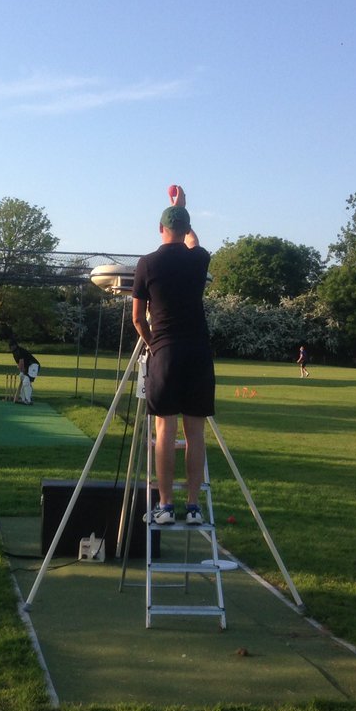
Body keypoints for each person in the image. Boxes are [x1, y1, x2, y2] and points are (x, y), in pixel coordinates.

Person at [132, 190, 215, 526]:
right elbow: (193, 241)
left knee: (164, 429)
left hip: (166, 352)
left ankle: (165, 505)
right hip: (198, 353)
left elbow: (138, 319)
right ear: (186, 227)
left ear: (159, 228)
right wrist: (182, 208)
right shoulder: (200, 259)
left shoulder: (146, 263)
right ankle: (193, 506)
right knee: (195, 432)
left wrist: (154, 345)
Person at [8, 337, 40, 405]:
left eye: (12, 346)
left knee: (26, 381)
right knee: (26, 382)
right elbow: (20, 364)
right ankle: (24, 399)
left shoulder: (19, 351)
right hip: (28, 367)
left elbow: (21, 362)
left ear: (15, 345)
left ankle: (28, 400)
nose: (11, 348)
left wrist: (22, 372)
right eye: (10, 346)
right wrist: (22, 371)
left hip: (33, 365)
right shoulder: (14, 353)